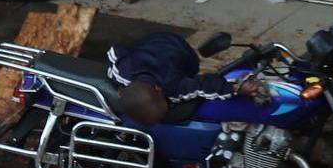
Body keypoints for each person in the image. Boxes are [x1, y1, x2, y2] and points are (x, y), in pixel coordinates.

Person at [106, 30, 268, 126]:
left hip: (180, 48)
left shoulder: (172, 85)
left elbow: (204, 84)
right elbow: (115, 51)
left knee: (192, 69)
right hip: (151, 41)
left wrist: (236, 88)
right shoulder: (123, 71)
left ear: (159, 89)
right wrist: (236, 89)